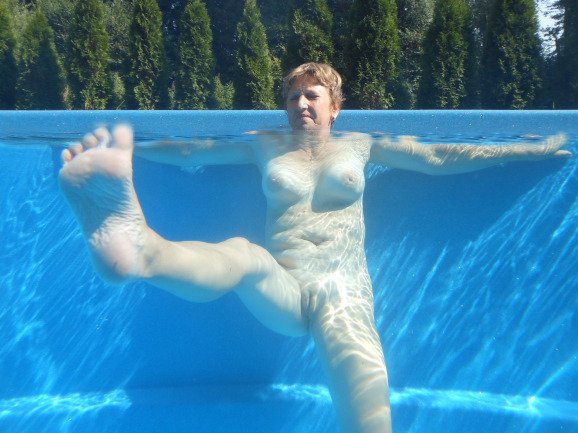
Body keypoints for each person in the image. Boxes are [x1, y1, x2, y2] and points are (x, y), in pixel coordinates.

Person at [59, 63, 570, 433]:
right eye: (292, 98)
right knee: (242, 254)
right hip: (283, 284)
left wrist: (527, 148)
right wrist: (134, 146)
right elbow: (195, 151)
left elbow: (438, 157)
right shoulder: (264, 143)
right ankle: (144, 250)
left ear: (335, 106)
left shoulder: (361, 143)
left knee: (365, 403)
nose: (300, 105)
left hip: (342, 291)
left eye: (311, 95)